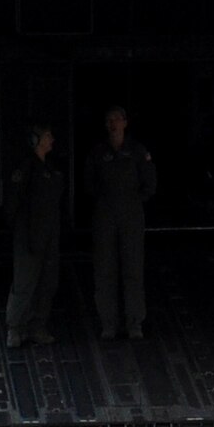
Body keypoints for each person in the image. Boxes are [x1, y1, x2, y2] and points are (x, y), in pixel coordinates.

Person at [88, 105, 157, 338]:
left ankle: (134, 323)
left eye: (117, 119)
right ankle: (109, 323)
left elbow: (150, 182)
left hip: (131, 216)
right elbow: (90, 183)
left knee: (133, 271)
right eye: (109, 120)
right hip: (105, 216)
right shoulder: (98, 152)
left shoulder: (137, 151)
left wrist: (134, 201)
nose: (113, 124)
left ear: (125, 123)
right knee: (105, 270)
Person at [3, 122, 63, 349]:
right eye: (47, 136)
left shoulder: (51, 169)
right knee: (24, 283)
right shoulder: (26, 168)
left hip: (49, 235)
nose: (51, 140)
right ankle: (15, 328)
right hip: (28, 233)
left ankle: (37, 327)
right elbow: (13, 202)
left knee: (47, 283)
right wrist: (19, 230)